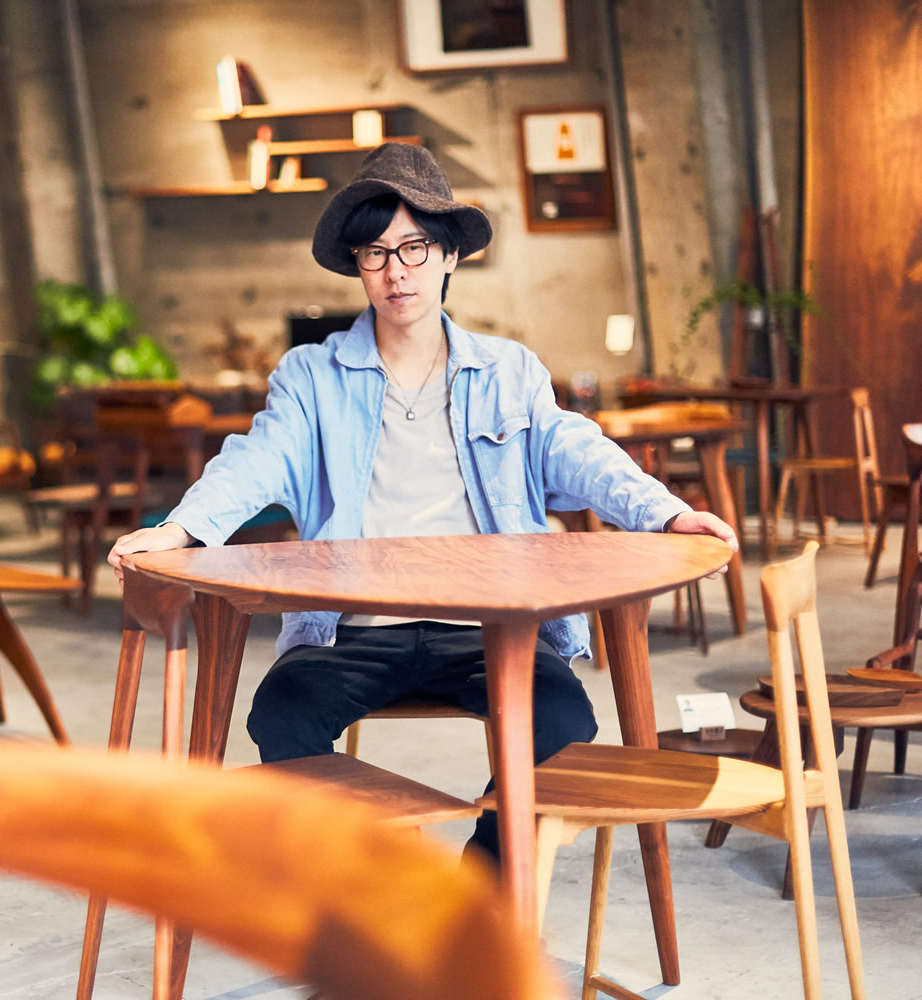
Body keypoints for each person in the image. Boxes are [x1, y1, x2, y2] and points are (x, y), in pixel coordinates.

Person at [107, 142, 738, 859]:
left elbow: (578, 450)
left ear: (449, 256)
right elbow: (256, 460)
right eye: (375, 253)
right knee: (281, 713)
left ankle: (476, 890)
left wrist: (666, 512)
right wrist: (182, 528)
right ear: (357, 265)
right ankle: (362, 888)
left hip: (488, 628)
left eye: (413, 248)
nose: (396, 271)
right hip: (354, 632)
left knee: (563, 722)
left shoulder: (508, 371)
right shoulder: (311, 376)